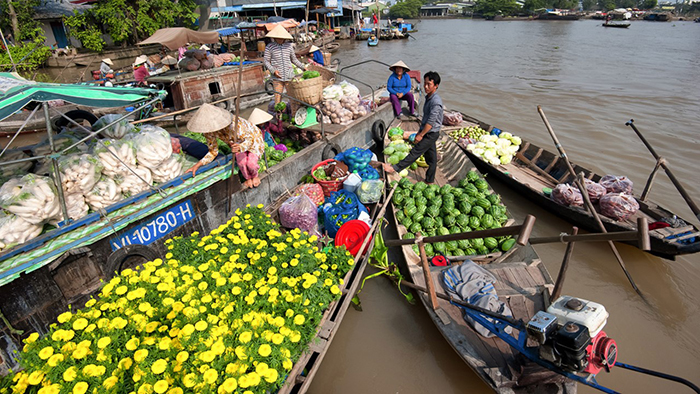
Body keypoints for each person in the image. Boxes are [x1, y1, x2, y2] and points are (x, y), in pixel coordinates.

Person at [185, 104, 266, 188]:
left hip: (253, 140)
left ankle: (255, 176)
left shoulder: (234, 124)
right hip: (236, 143)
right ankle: (248, 178)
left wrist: (240, 147)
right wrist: (197, 165)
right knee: (241, 163)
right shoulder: (208, 131)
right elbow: (213, 151)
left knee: (251, 163)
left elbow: (250, 139)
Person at [383, 71, 443, 184]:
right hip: (428, 131)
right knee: (431, 158)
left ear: (436, 86)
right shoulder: (429, 97)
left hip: (430, 133)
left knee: (415, 151)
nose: (425, 87)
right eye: (424, 83)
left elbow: (430, 122)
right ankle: (430, 180)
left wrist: (420, 135)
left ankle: (394, 168)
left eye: (429, 84)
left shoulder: (435, 102)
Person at [264, 25, 307, 105]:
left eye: (281, 37)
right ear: (274, 37)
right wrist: (273, 71)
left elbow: (294, 59)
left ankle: (293, 114)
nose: (280, 39)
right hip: (277, 77)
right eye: (278, 37)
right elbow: (266, 61)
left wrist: (303, 67)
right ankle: (278, 115)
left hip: (289, 76)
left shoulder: (289, 46)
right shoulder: (269, 47)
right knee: (277, 99)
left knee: (292, 98)